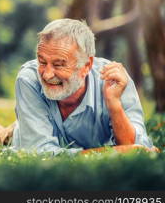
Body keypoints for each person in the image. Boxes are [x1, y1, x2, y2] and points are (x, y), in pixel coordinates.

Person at [12, 18, 155, 155]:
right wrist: (112, 151)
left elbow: (136, 148)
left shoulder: (115, 81)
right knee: (6, 134)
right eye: (42, 62)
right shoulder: (29, 79)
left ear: (86, 65)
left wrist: (114, 104)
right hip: (26, 130)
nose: (47, 75)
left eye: (59, 65)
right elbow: (38, 152)